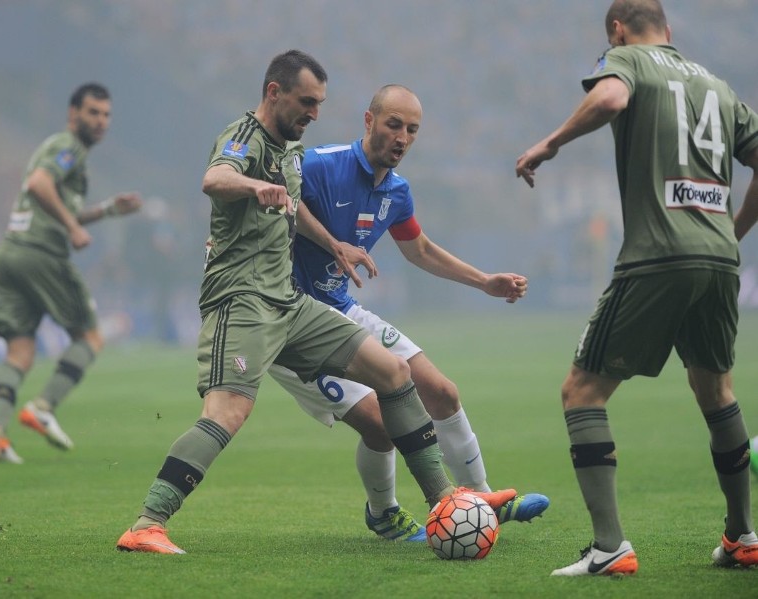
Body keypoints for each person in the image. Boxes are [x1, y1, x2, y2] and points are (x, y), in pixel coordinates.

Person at [116, 50, 472, 555]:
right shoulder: (244, 137)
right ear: (274, 92)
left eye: (320, 104)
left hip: (289, 301)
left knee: (394, 374)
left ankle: (446, 503)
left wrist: (334, 244)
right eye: (306, 102)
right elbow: (214, 178)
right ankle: (148, 522)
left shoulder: (288, 149)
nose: (314, 114)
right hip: (241, 302)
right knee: (227, 413)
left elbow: (292, 207)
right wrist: (255, 183)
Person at [515, 0, 758, 576]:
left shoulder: (627, 60)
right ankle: (743, 534)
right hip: (720, 262)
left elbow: (610, 97)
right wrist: (732, 231)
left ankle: (609, 547)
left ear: (618, 31)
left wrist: (551, 142)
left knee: (582, 392)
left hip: (657, 257)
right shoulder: (719, 88)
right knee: (716, 390)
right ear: (669, 32)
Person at [266, 83, 549, 542]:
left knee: (442, 392)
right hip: (293, 322)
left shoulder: (396, 192)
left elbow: (418, 248)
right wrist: (330, 243)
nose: (401, 137)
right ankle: (384, 513)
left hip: (342, 308)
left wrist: (484, 282)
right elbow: (278, 196)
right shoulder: (321, 164)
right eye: (394, 124)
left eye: (412, 130)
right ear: (368, 121)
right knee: (382, 422)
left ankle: (482, 499)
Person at [0, 83, 142, 464]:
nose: (101, 121)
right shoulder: (68, 147)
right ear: (73, 115)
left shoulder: (65, 152)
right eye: (93, 113)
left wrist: (106, 210)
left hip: (12, 253)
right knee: (90, 336)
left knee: (20, 349)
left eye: (106, 114)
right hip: (41, 254)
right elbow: (39, 185)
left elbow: (50, 200)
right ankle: (43, 406)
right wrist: (71, 227)